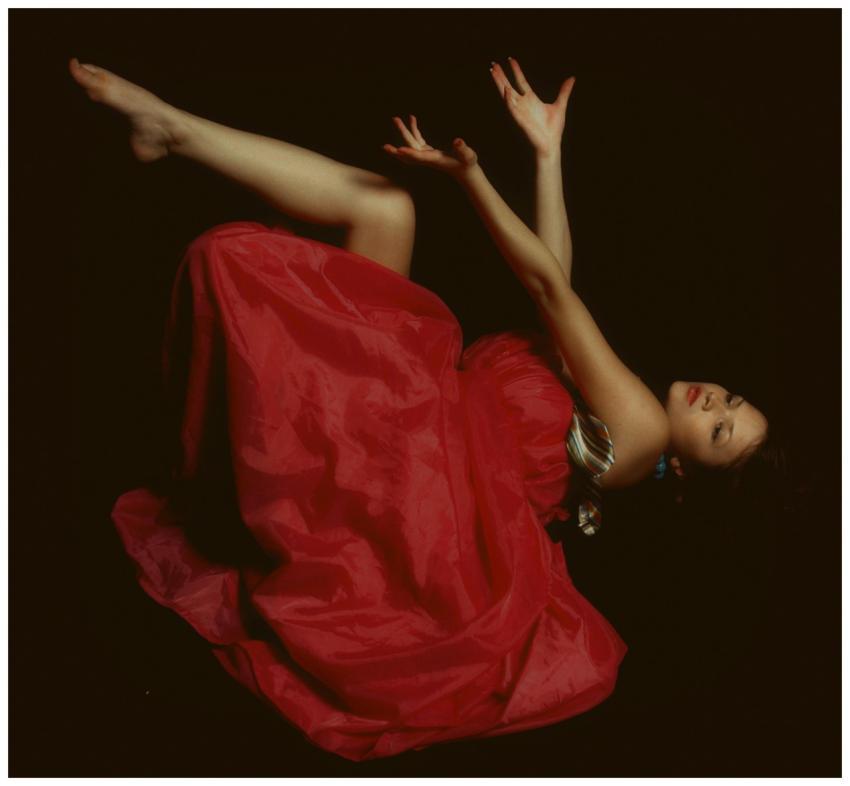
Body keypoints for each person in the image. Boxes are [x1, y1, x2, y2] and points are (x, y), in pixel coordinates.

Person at [69, 55, 774, 761]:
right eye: (732, 400)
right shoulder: (617, 399)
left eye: (718, 430)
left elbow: (548, 291)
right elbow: (555, 287)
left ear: (688, 473)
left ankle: (172, 129)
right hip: (418, 418)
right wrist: (546, 152)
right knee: (383, 207)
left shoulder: (641, 433)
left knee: (387, 210)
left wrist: (472, 179)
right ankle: (169, 128)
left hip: (414, 481)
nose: (713, 401)